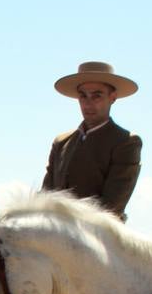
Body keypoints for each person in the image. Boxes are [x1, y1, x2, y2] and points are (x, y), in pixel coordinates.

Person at [43, 61, 143, 219]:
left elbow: (112, 206)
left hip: (99, 236)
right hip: (54, 231)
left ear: (113, 97)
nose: (88, 103)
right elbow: (45, 196)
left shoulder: (126, 142)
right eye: (83, 95)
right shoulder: (62, 142)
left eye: (97, 95)